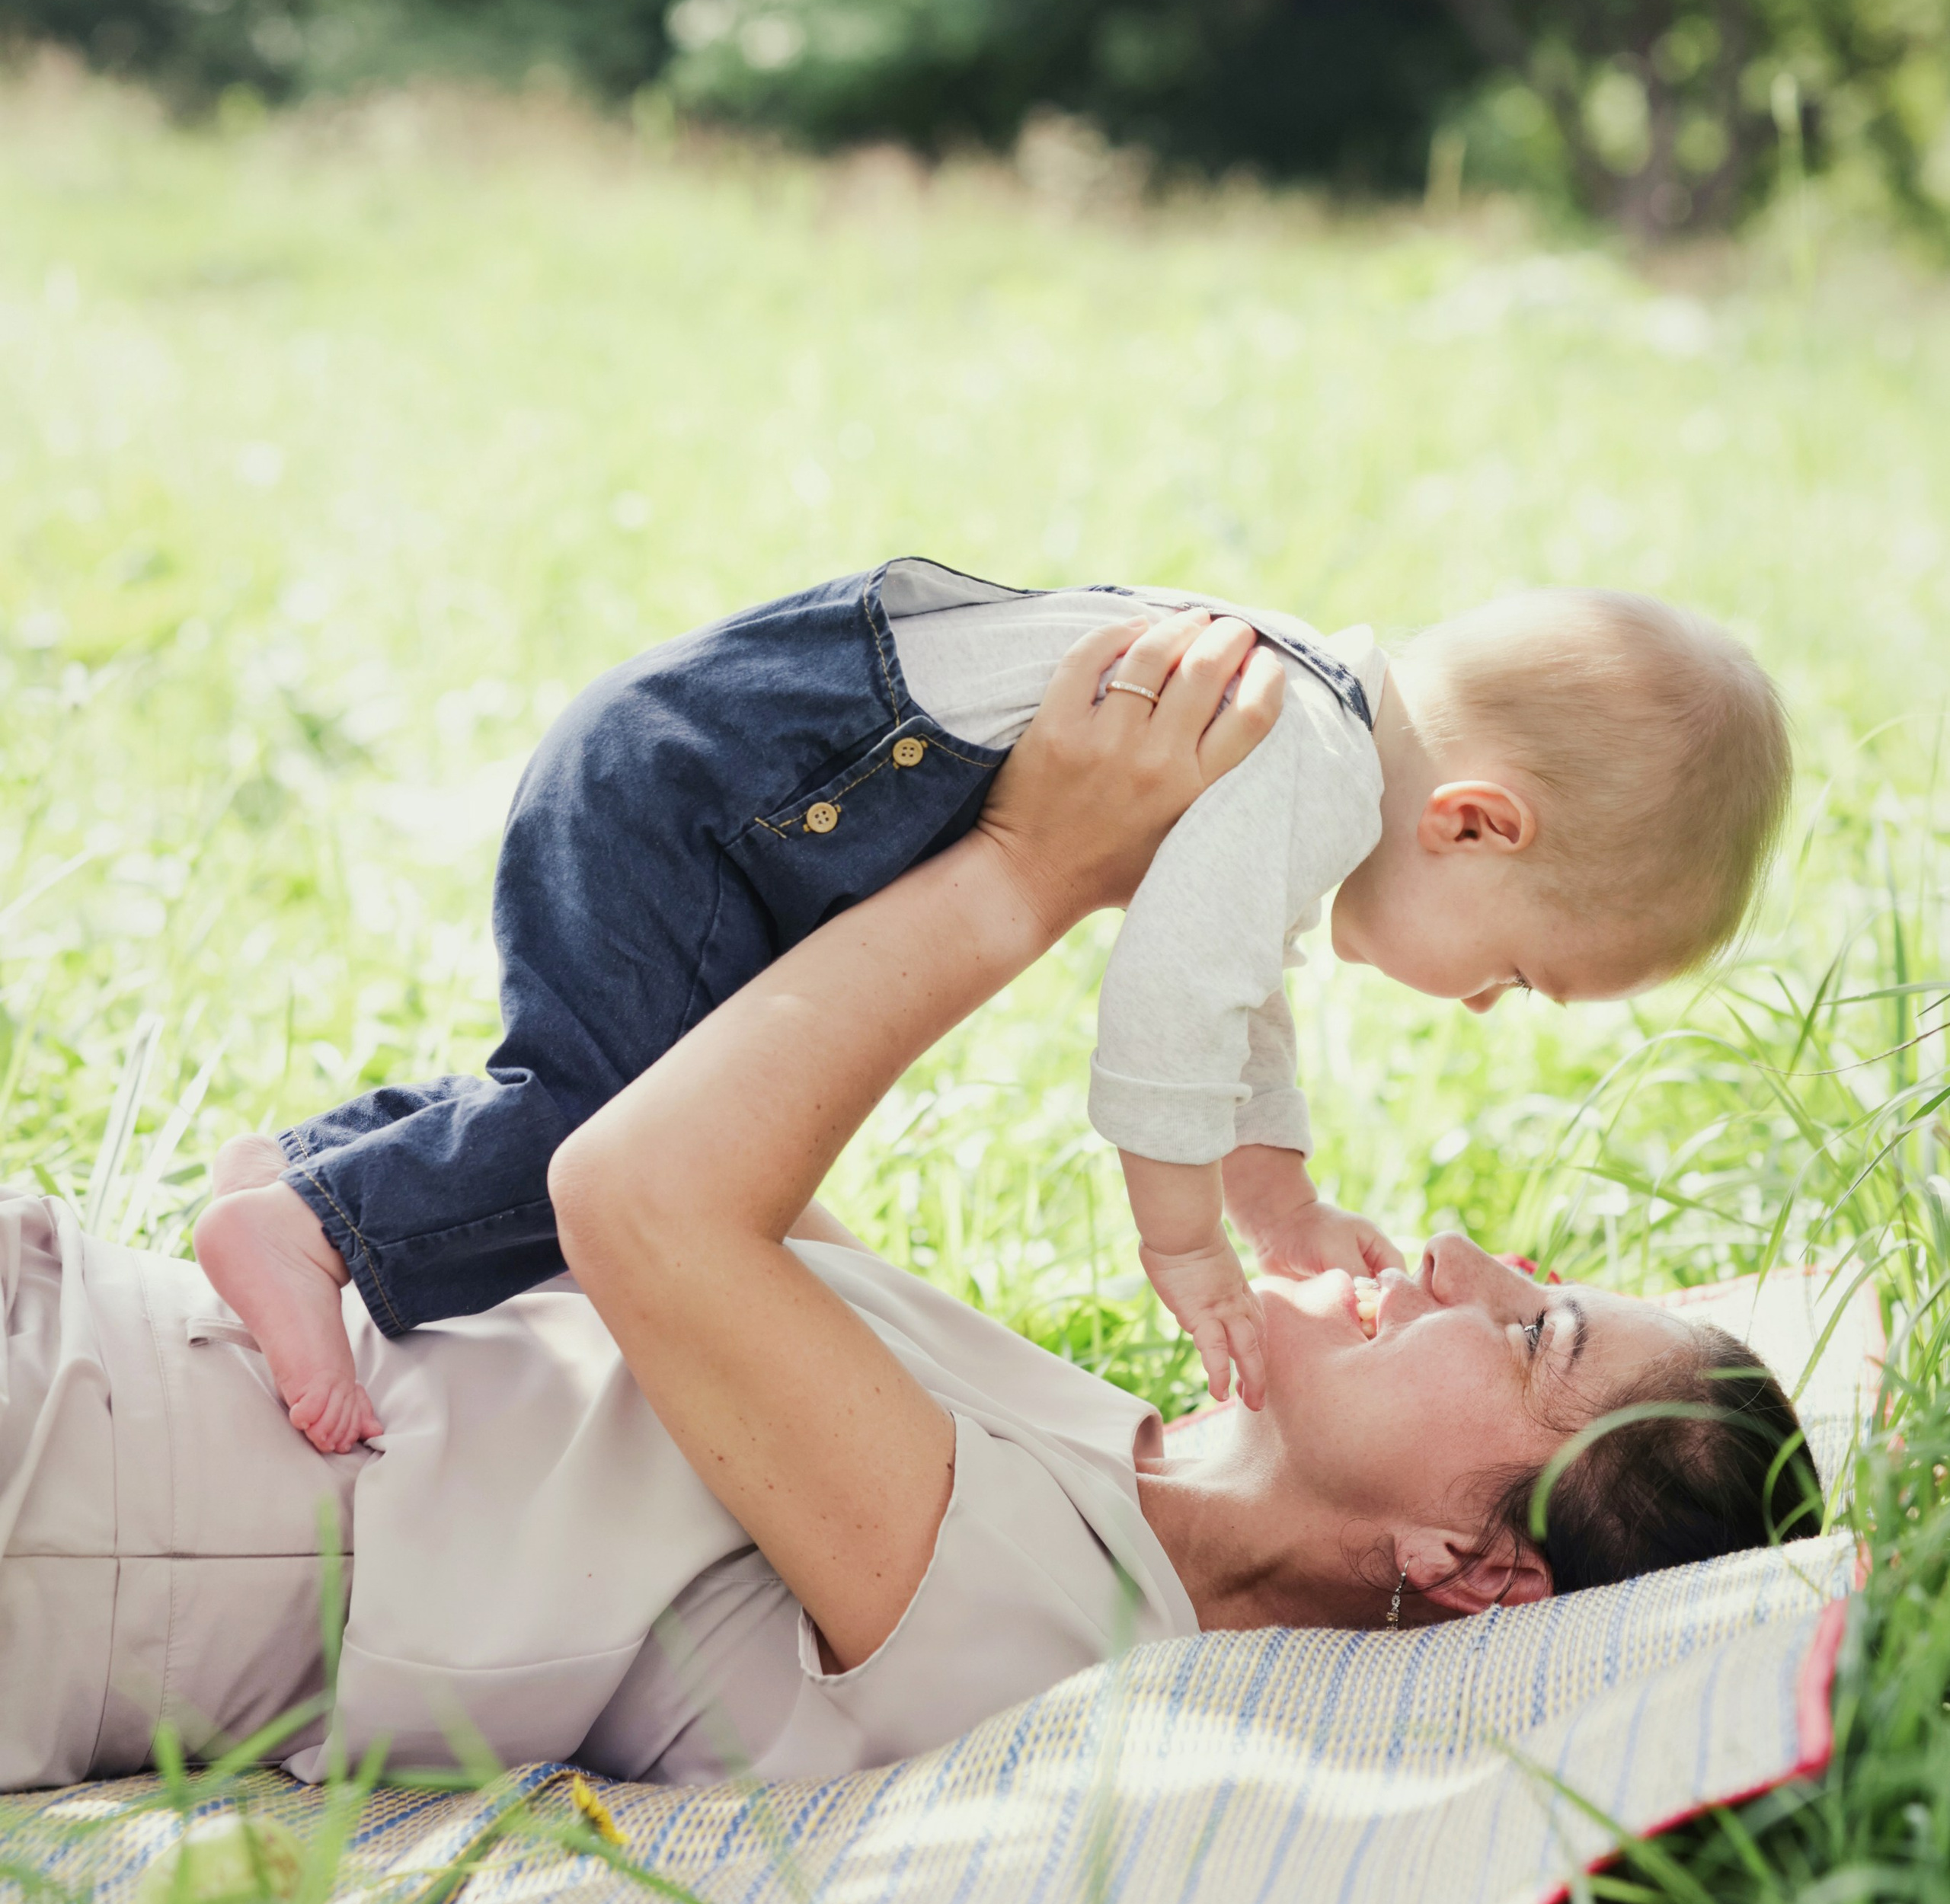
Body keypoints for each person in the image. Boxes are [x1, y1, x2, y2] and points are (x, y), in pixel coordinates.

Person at [0, 619, 1818, 1794]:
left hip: (63, 1486)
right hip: (78, 1324)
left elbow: (641, 1198)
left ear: (1472, 1568)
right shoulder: (1090, 1449)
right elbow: (712, 1127)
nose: (1455, 1257)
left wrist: (1036, 863)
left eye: (1532, 1329)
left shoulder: (1051, 1638)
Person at [193, 562, 1793, 1451]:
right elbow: (1174, 1003)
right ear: (1474, 822)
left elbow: (1235, 987)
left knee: (626, 1074)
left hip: (728, 758)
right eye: (1512, 976)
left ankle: (318, 1163)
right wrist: (1186, 1240)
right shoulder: (1295, 752)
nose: (1481, 1011)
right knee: (609, 1120)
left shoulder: (1305, 741)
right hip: (723, 786)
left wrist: (1279, 1202)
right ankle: (320, 1225)